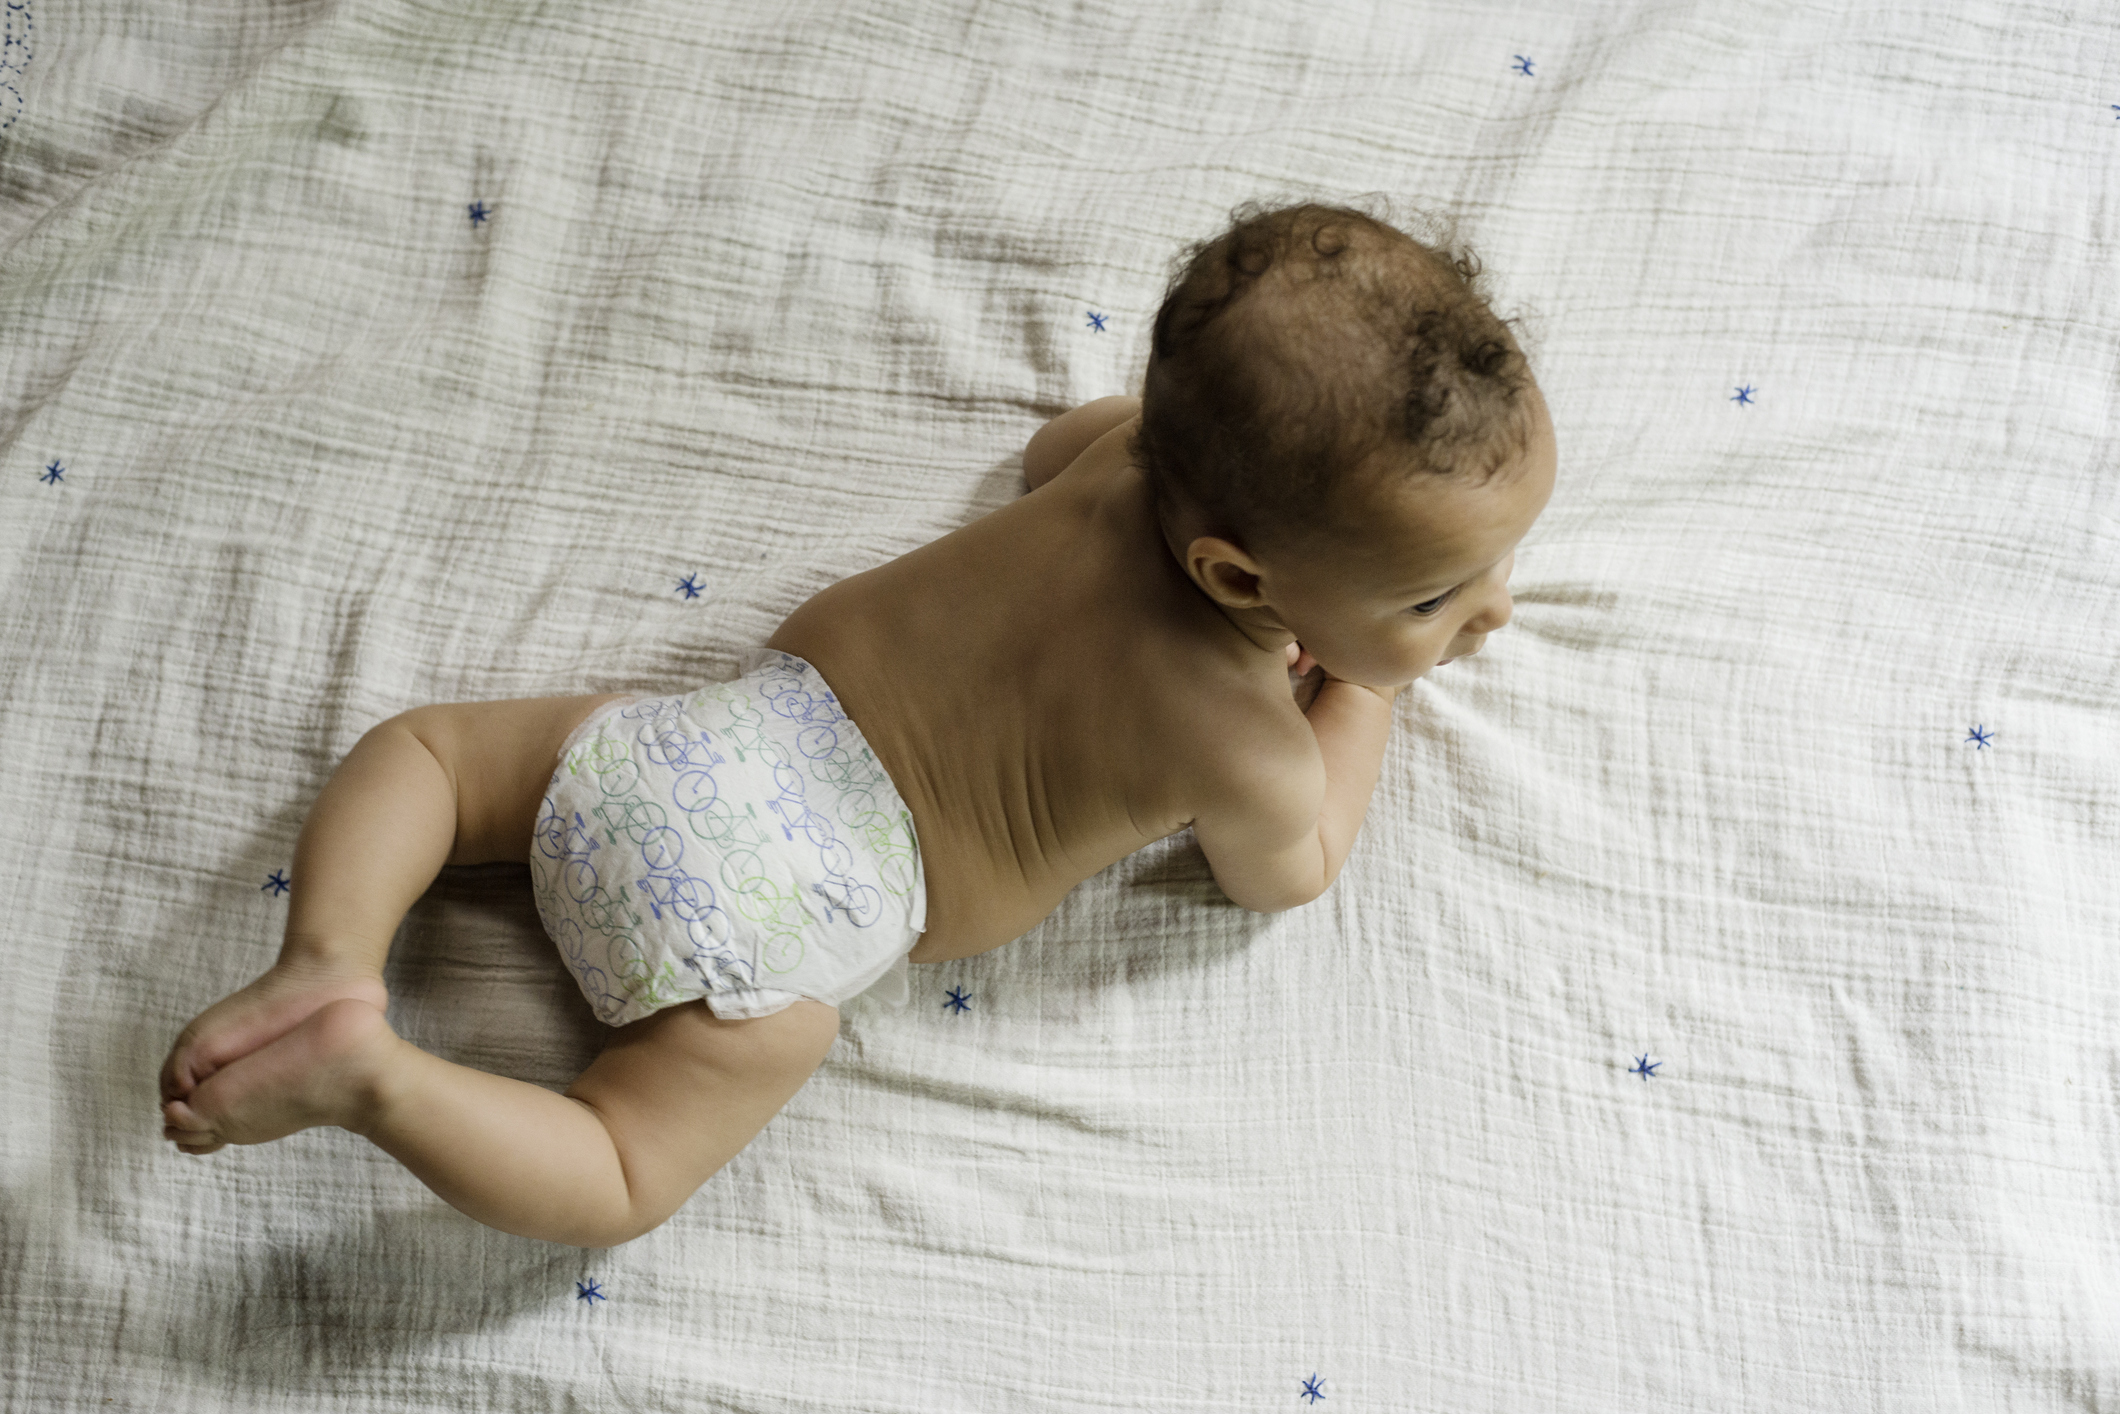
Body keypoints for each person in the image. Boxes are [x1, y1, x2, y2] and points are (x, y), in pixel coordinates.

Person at [159, 200, 1557, 1247]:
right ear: (1239, 578)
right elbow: (1290, 867)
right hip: (789, 928)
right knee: (623, 1171)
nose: (1489, 610)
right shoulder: (1244, 737)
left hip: (696, 752)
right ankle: (382, 1081)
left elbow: (1053, 440)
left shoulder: (1125, 461)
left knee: (435, 754)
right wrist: (1361, 686)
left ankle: (328, 957)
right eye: (1438, 595)